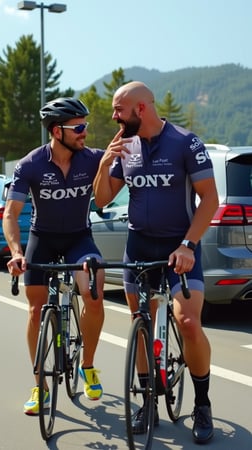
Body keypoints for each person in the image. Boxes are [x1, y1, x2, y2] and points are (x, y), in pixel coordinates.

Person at [93, 81, 219, 444]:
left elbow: (208, 199)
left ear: (141, 109)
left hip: (180, 248)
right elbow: (102, 199)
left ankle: (203, 403)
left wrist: (188, 244)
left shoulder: (184, 142)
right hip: (139, 247)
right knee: (140, 322)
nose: (114, 116)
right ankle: (147, 400)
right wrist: (105, 163)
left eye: (119, 110)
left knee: (189, 322)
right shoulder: (127, 147)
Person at [3, 97, 105, 415]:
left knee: (94, 289)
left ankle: (87, 365)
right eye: (78, 127)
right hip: (42, 239)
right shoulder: (30, 165)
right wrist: (17, 253)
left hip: (79, 238)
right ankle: (40, 386)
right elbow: (10, 213)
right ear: (56, 131)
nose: (85, 132)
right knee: (35, 311)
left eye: (85, 126)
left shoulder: (93, 160)